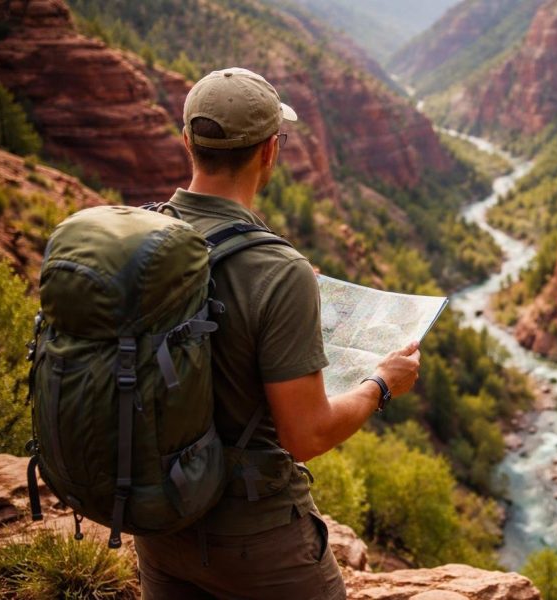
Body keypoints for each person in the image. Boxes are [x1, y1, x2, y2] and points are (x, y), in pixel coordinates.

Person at [134, 67, 421, 599]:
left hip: (156, 519)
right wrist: (382, 383)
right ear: (270, 151)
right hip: (255, 536)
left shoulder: (145, 235)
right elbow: (306, 436)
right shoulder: (274, 269)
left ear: (187, 143)